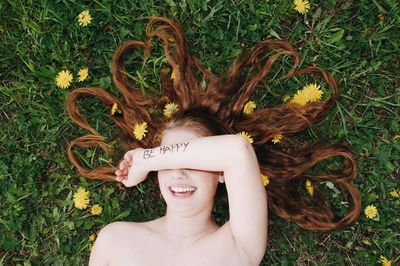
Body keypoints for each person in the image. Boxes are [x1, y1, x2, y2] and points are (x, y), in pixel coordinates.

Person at [66, 17, 361, 265]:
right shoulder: (115, 239)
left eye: (190, 160)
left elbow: (238, 150)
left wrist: (147, 158)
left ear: (221, 173)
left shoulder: (237, 245)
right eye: (170, 161)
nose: (179, 173)